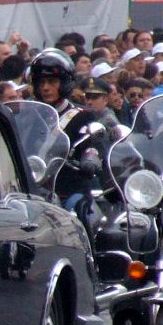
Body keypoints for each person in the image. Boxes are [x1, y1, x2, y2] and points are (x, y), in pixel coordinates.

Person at [27, 48, 105, 212]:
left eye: (51, 82)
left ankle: (88, 238)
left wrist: (90, 159)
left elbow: (93, 146)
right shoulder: (29, 116)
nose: (45, 88)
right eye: (41, 83)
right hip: (31, 190)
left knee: (80, 209)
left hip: (67, 190)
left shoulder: (82, 116)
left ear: (64, 83)